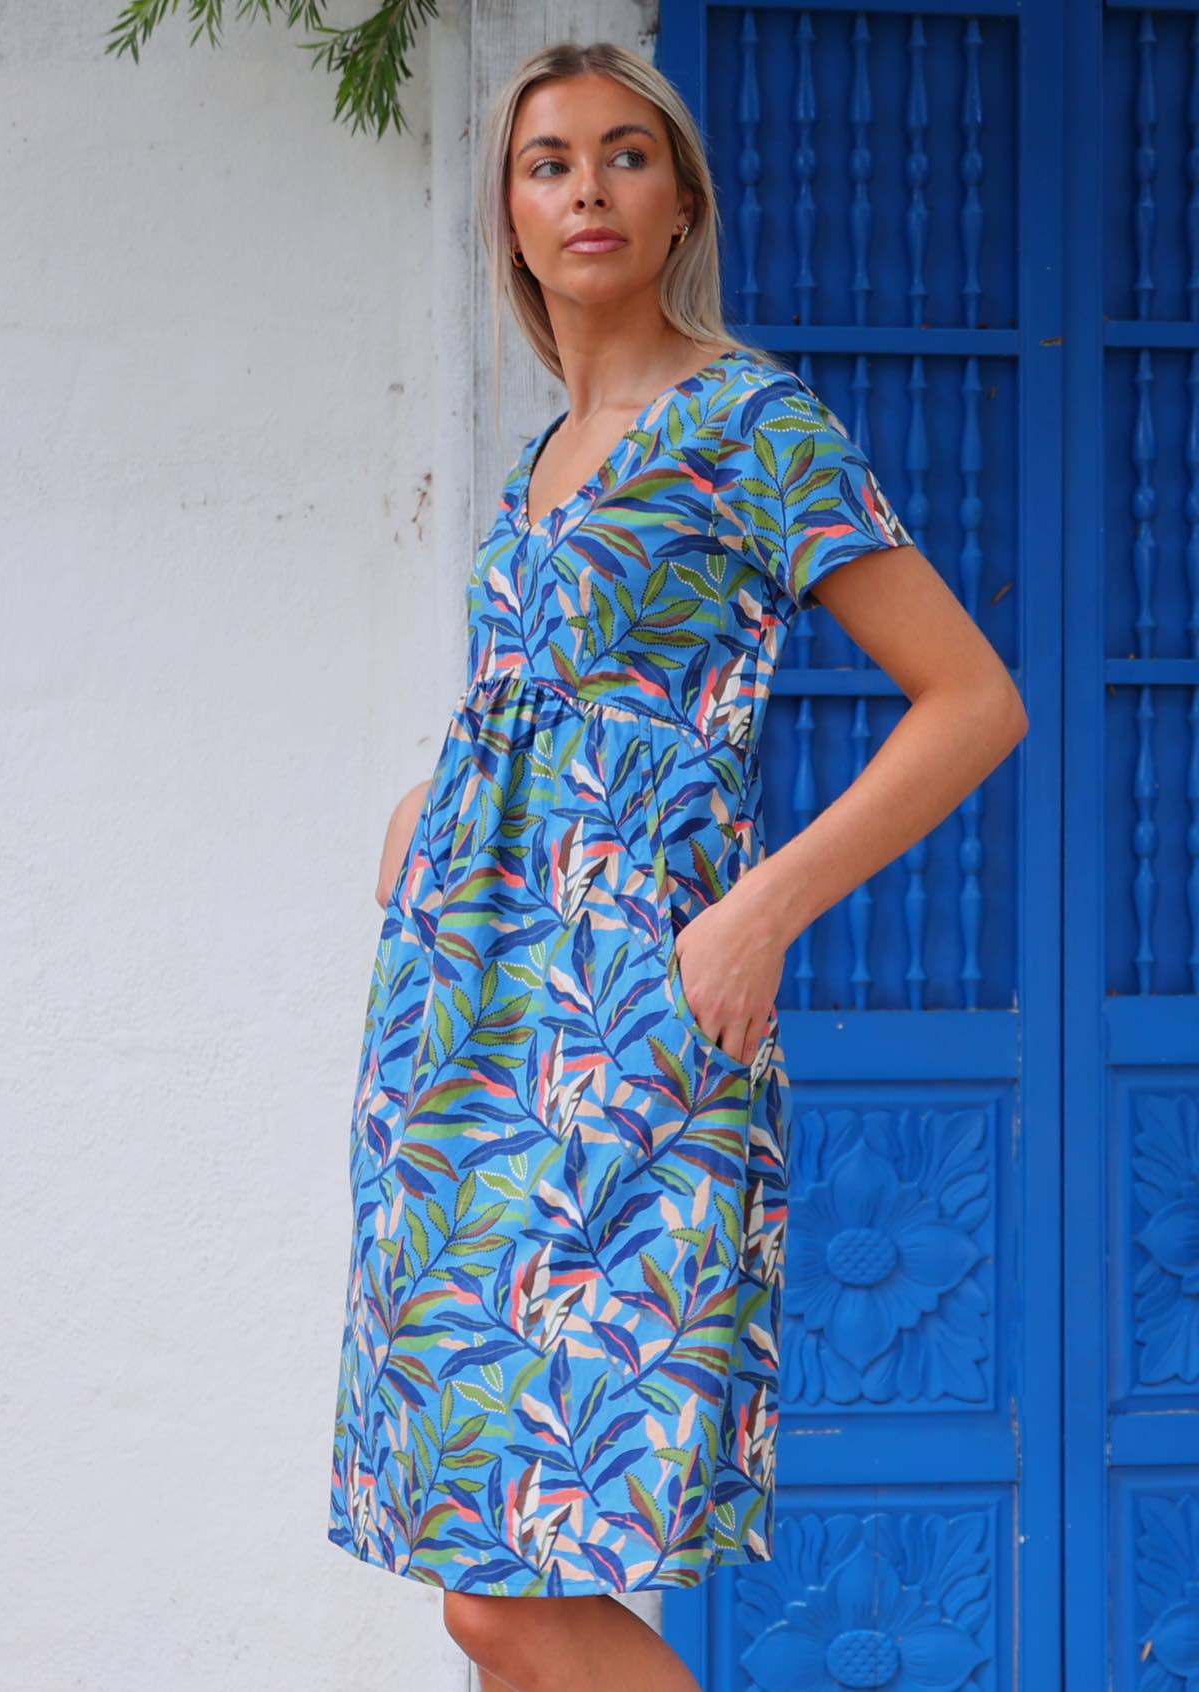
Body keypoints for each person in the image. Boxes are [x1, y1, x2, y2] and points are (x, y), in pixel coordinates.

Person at [326, 38, 1028, 1692]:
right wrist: (440, 786)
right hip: (462, 1029)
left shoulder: (744, 417)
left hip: (625, 1025)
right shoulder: (538, 460)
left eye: (625, 155)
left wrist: (765, 908)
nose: (587, 186)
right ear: (508, 214)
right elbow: (577, 694)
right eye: (550, 160)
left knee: (508, 1592)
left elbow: (974, 700)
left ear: (680, 199)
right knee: (479, 1576)